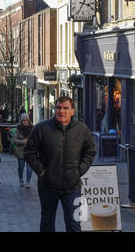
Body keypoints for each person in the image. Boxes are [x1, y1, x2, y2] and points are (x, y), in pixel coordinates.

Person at [24, 96, 96, 232]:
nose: (61, 111)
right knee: (47, 222)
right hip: (47, 186)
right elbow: (29, 152)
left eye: (65, 108)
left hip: (72, 186)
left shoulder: (82, 129)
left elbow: (90, 151)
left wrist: (79, 171)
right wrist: (42, 172)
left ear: (72, 111)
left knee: (74, 225)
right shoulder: (42, 128)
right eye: (58, 108)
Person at [11, 113, 34, 187]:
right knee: (21, 167)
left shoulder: (33, 128)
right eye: (23, 120)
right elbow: (14, 140)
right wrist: (23, 141)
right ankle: (21, 179)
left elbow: (36, 139)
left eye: (26, 120)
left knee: (30, 168)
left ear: (28, 120)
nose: (25, 122)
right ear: (21, 121)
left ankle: (28, 181)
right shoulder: (18, 129)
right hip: (20, 151)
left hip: (30, 151)